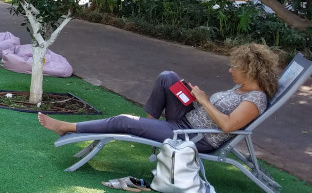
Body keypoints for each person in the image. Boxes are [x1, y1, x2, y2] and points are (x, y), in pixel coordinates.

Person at [38, 43, 279, 152]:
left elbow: (227, 126)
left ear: (250, 71)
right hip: (187, 119)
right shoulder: (241, 88)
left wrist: (204, 100)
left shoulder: (256, 99)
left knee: (123, 120)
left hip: (193, 136)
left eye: (235, 67)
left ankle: (67, 127)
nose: (230, 70)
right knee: (168, 77)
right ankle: (149, 127)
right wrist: (195, 98)